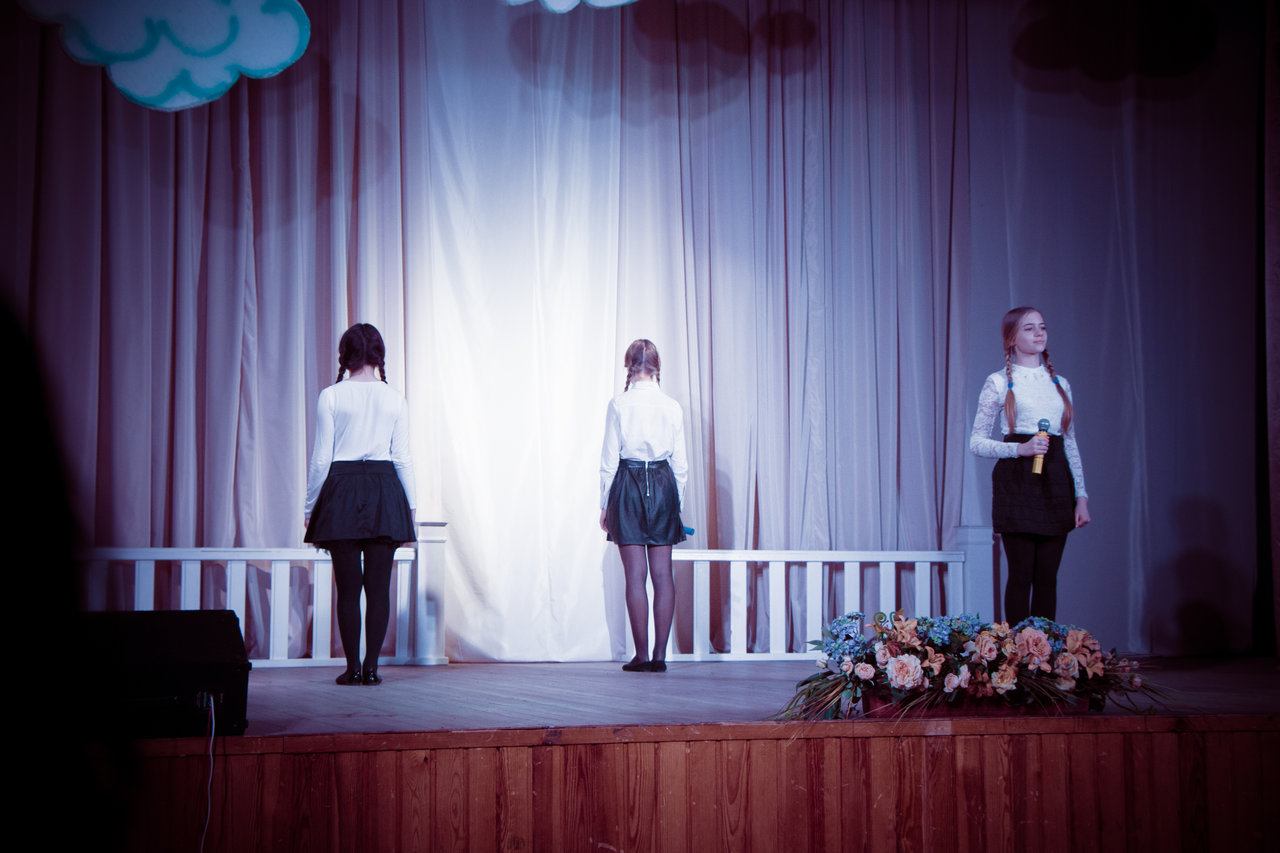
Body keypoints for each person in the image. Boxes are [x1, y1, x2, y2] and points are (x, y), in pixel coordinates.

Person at [305, 323, 416, 686]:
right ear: (379, 355)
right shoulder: (395, 398)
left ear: (345, 354)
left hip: (342, 490)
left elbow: (321, 459)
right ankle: (371, 669)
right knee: (379, 589)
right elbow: (403, 459)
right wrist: (411, 510)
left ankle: (352, 667)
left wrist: (309, 508)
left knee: (348, 588)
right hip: (385, 490)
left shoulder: (331, 396)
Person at [970, 307, 1089, 627]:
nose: (1039, 333)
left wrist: (1081, 496)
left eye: (1042, 327)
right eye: (1029, 328)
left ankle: (1044, 648)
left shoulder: (1060, 383)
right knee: (1021, 574)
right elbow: (977, 442)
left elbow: (1070, 442)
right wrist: (1019, 449)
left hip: (1055, 480)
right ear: (1011, 338)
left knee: (1047, 577)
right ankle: (1018, 648)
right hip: (1018, 481)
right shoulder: (998, 382)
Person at [599, 339, 689, 673]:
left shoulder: (619, 404)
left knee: (635, 576)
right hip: (664, 484)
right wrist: (677, 503)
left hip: (628, 484)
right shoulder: (671, 406)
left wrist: (604, 504)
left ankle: (640, 655)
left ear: (628, 366)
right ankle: (659, 656)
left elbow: (609, 461)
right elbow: (681, 464)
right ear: (657, 366)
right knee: (663, 575)